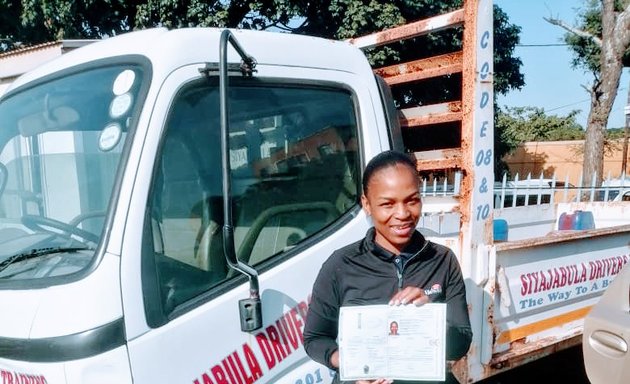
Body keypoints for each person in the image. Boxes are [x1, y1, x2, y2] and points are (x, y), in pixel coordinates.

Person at [303, 150, 472, 384]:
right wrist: (348, 362)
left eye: (412, 200)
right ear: (367, 204)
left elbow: (460, 344)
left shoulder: (443, 259)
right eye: (387, 204)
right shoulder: (340, 265)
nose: (402, 214)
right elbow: (315, 338)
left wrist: (429, 319)